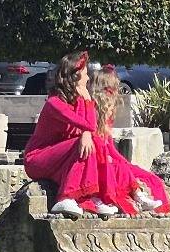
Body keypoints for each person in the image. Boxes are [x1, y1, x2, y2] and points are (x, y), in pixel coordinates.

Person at [24, 50, 135, 217]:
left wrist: (86, 132)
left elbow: (89, 129)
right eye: (84, 74)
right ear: (74, 77)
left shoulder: (78, 101)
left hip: (61, 155)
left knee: (94, 142)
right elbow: (89, 125)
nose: (88, 79)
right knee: (83, 143)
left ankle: (93, 195)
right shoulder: (54, 103)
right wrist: (89, 101)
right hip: (38, 158)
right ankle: (65, 197)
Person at [92, 63, 170, 215]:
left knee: (146, 176)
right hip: (97, 158)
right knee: (118, 167)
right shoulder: (92, 114)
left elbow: (109, 145)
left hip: (107, 155)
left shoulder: (106, 116)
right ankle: (137, 195)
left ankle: (139, 194)